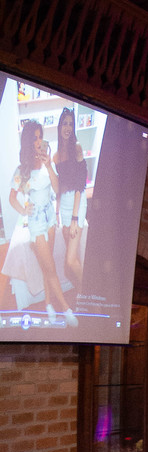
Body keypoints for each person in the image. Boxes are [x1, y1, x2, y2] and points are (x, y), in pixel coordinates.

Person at [7, 120, 76, 327]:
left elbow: (57, 189)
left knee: (47, 266)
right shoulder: (22, 170)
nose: (38, 142)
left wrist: (48, 165)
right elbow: (12, 198)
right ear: (29, 142)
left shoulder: (48, 162)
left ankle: (47, 304)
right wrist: (23, 210)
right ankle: (66, 308)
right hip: (36, 221)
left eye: (40, 137)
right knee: (51, 266)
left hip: (50, 217)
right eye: (34, 138)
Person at [53, 106, 88, 298]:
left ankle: (86, 291)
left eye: (70, 124)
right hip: (64, 206)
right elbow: (60, 186)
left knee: (70, 260)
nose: (67, 127)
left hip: (77, 203)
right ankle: (81, 289)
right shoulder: (56, 155)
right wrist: (58, 213)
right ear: (60, 127)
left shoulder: (77, 148)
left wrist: (75, 218)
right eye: (64, 123)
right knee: (71, 257)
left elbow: (79, 185)